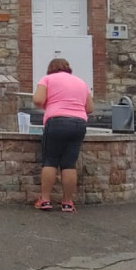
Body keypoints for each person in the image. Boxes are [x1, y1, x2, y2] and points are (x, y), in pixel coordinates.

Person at [32, 57, 94, 213]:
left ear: (50, 68)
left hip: (57, 122)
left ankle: (45, 200)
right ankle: (67, 202)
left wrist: (48, 102)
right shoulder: (81, 82)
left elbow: (38, 99)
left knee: (50, 161)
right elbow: (90, 108)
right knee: (69, 163)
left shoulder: (47, 79)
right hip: (79, 124)